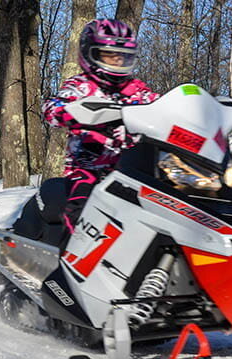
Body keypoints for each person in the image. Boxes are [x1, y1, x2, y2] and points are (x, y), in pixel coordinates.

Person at [41, 18, 159, 230]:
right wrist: (68, 111)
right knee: (82, 205)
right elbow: (52, 108)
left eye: (123, 56)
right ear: (90, 53)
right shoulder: (80, 86)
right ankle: (73, 249)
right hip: (89, 167)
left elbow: (162, 106)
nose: (117, 61)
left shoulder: (138, 90)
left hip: (135, 168)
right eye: (109, 55)